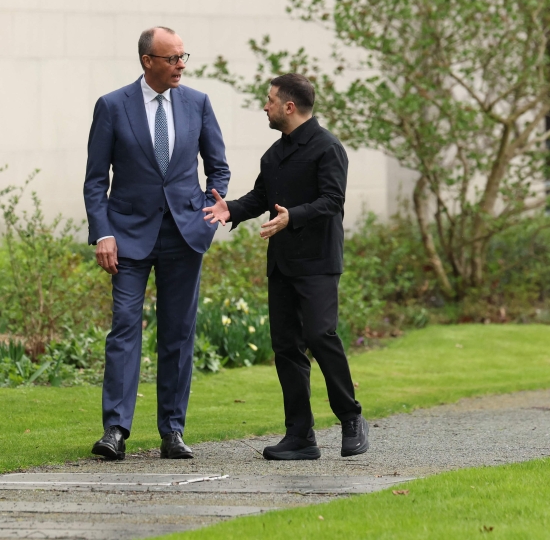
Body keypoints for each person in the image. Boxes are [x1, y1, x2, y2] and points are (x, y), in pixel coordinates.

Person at [202, 73, 369, 460]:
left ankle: (350, 417)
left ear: (289, 107)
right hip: (282, 264)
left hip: (318, 263)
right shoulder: (274, 155)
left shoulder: (328, 148)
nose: (265, 105)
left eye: (270, 100)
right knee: (286, 347)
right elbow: (261, 196)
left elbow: (332, 201)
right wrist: (232, 210)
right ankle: (300, 436)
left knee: (320, 334)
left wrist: (291, 216)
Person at [84, 26, 230, 461]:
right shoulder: (112, 106)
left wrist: (208, 210)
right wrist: (103, 232)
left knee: (178, 335)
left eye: (184, 57)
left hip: (185, 235)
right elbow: (95, 180)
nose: (181, 65)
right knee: (125, 329)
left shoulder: (198, 103)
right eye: (172, 59)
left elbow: (218, 167)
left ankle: (173, 431)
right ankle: (115, 430)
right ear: (148, 61)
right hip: (127, 236)